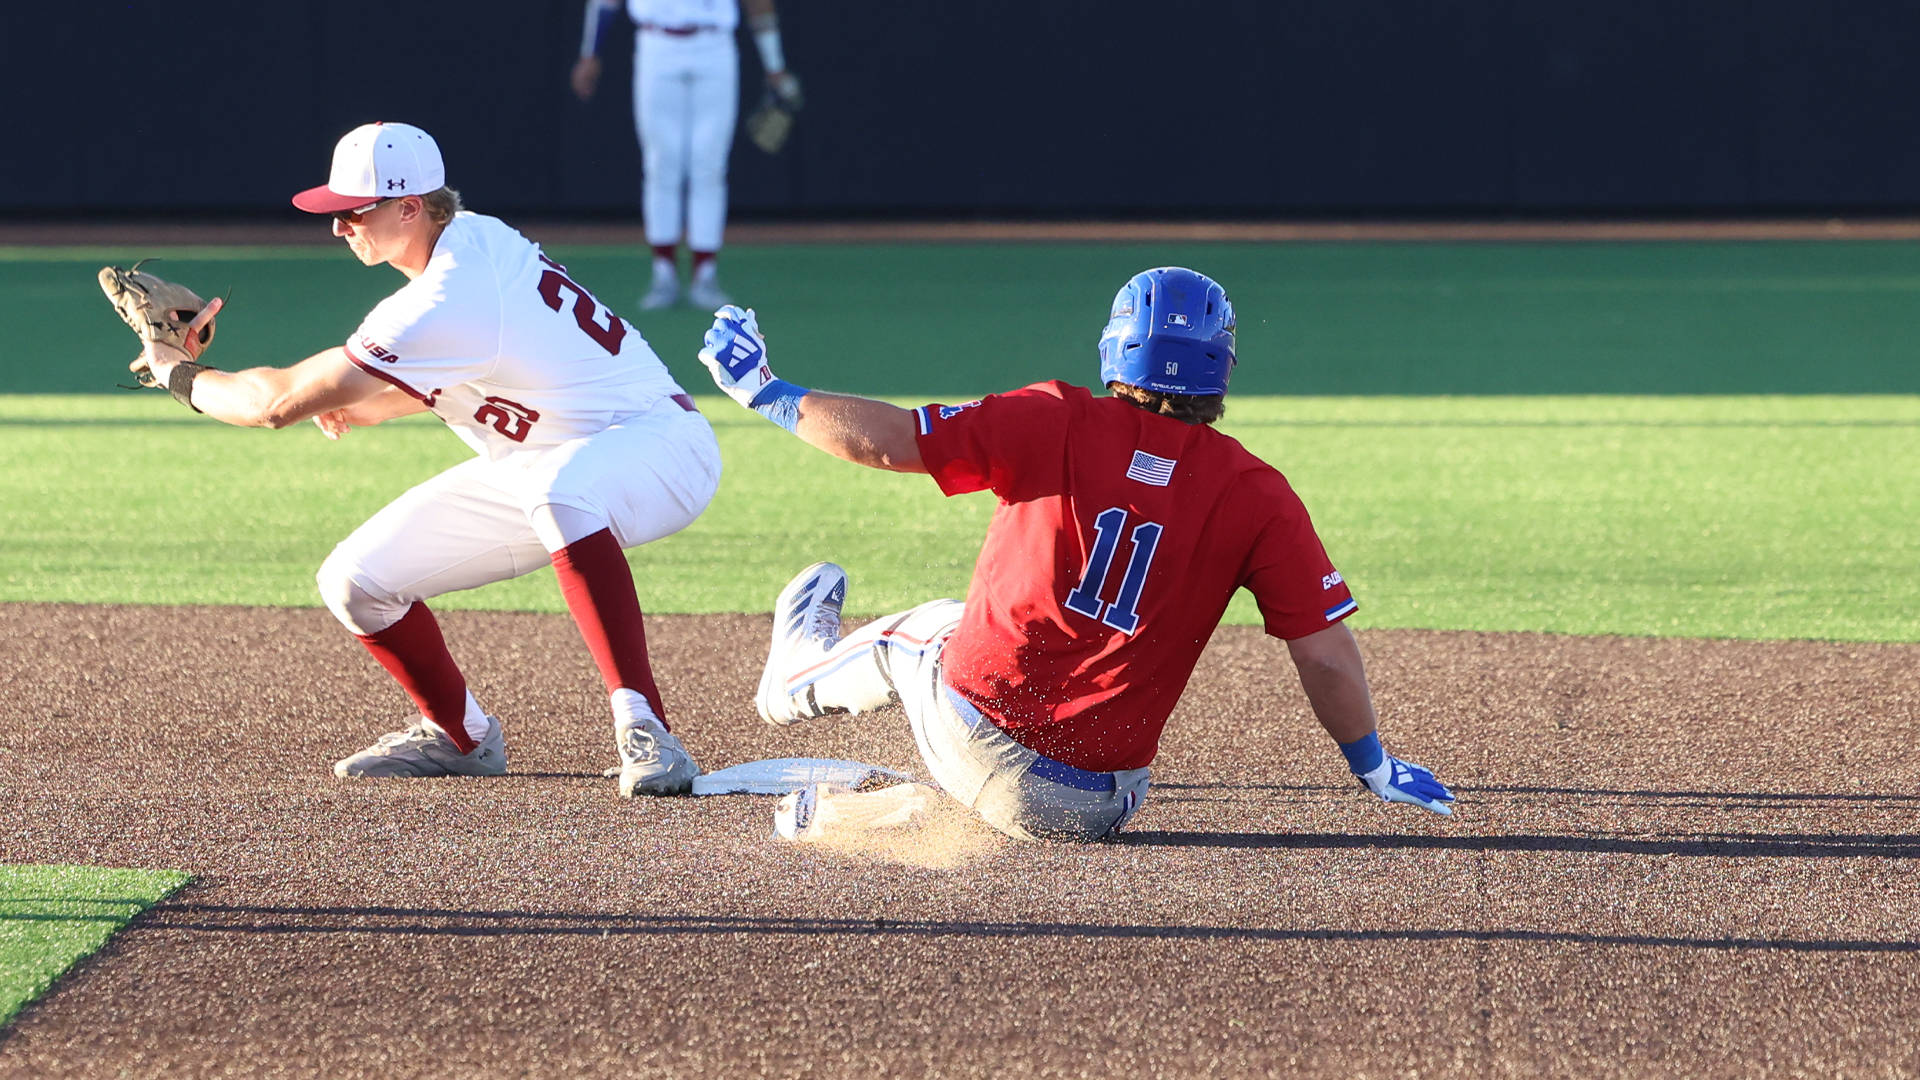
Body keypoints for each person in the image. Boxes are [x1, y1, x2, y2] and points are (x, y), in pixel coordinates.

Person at [695, 268, 1456, 841]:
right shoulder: (1257, 491)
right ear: (1221, 363)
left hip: (976, 738)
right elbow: (1324, 654)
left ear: (1117, 346)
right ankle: (885, 815)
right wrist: (1373, 766)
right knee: (1020, 715)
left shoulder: (1055, 417)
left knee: (925, 628)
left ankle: (793, 682)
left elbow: (892, 441)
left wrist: (763, 389)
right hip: (1101, 804)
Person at [133, 121, 717, 796]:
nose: (339, 227)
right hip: (545, 458)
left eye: (353, 211)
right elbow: (491, 371)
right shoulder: (472, 241)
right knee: (355, 581)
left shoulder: (446, 295)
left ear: (409, 207)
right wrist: (367, 402)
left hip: (662, 447)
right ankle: (460, 735)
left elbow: (275, 404)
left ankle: (649, 732)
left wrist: (174, 371)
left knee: (563, 491)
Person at [571, 0, 802, 311]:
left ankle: (705, 274)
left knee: (709, 166)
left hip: (714, 44)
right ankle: (663, 273)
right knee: (660, 165)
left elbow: (756, 2)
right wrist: (591, 52)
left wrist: (774, 63)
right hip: (657, 43)